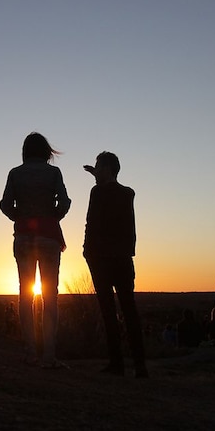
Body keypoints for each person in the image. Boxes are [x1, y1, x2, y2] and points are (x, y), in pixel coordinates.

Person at [0, 132, 71, 368]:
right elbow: (65, 201)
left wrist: (18, 217)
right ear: (45, 151)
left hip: (24, 238)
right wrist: (53, 217)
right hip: (49, 237)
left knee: (25, 295)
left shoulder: (15, 173)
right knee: (50, 296)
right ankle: (49, 355)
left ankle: (31, 352)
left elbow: (4, 204)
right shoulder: (53, 173)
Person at [83, 151, 147, 378]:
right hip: (123, 259)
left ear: (108, 168)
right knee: (129, 310)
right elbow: (129, 228)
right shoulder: (128, 193)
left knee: (109, 312)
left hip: (101, 259)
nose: (96, 169)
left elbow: (91, 223)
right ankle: (140, 365)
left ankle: (117, 364)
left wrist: (86, 251)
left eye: (99, 166)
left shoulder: (97, 192)